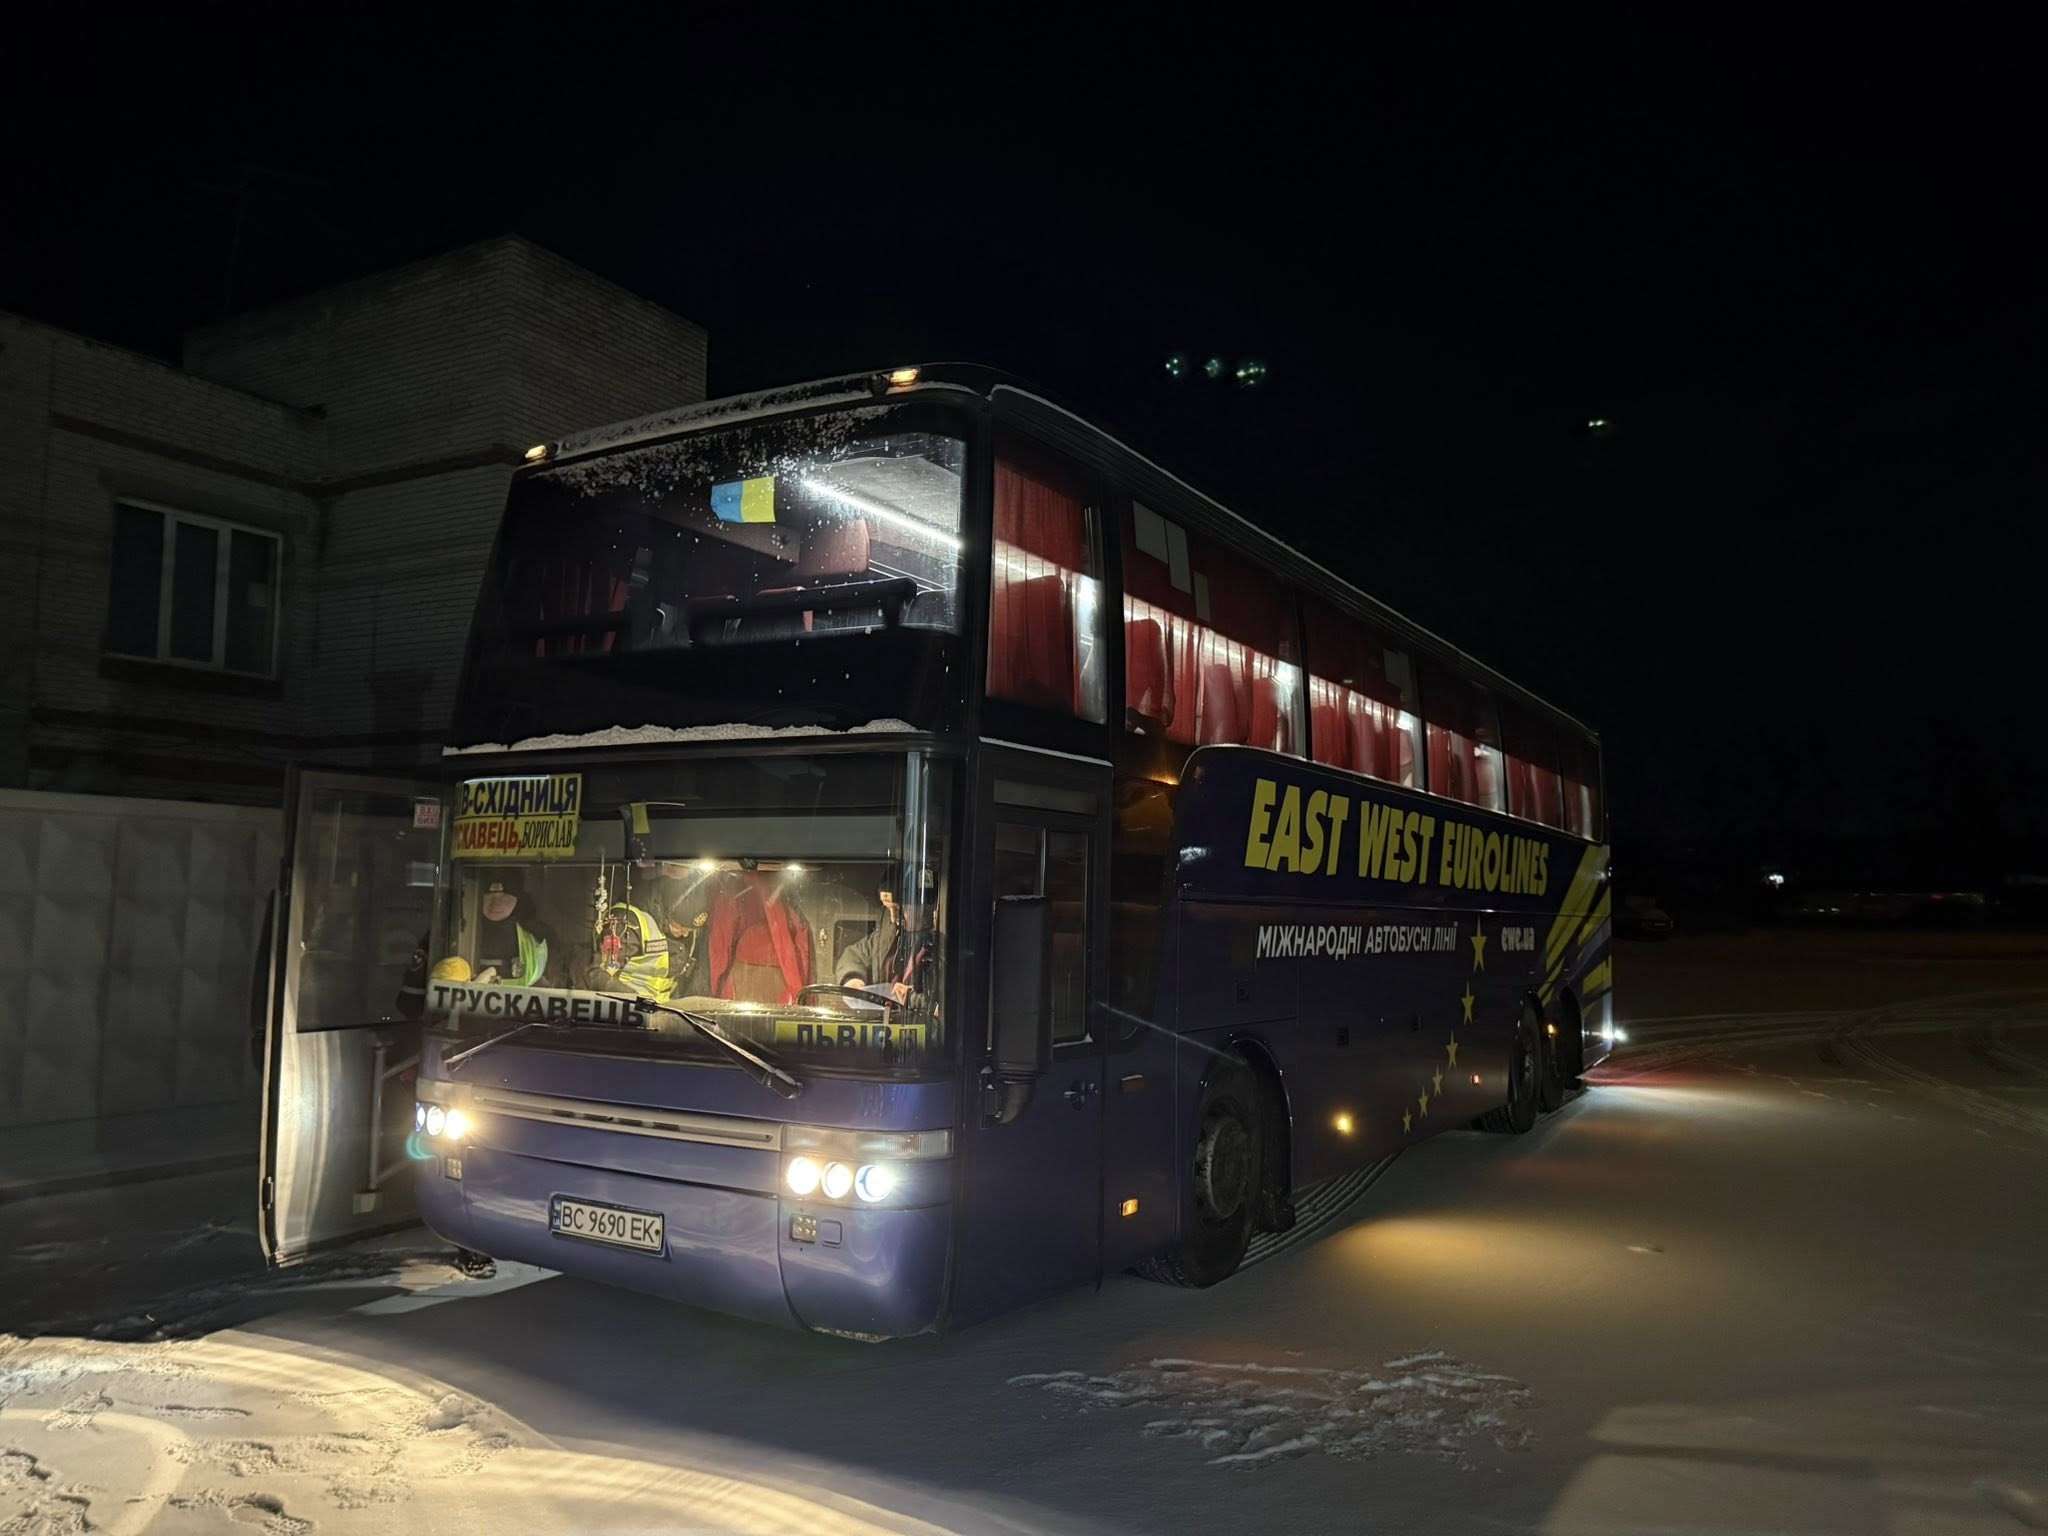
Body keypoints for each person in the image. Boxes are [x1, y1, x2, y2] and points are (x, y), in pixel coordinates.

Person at [833, 864, 942, 1013]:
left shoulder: (943, 946)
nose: (893, 918)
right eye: (887, 908)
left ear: (925, 907)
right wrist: (852, 980)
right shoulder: (889, 934)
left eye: (898, 909)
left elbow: (946, 1003)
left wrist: (913, 999)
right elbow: (854, 954)